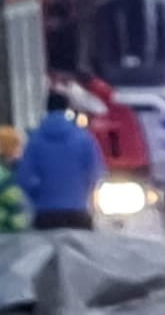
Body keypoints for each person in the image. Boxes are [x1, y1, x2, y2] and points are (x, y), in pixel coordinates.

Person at [16, 92, 105, 231]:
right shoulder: (84, 138)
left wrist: (38, 197)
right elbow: (96, 172)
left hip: (45, 214)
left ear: (46, 109)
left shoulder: (35, 140)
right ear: (67, 109)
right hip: (77, 212)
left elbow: (24, 177)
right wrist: (81, 193)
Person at [0, 127, 29, 235]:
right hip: (2, 229)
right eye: (18, 147)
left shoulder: (16, 167)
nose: (22, 150)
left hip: (17, 228)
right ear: (9, 149)